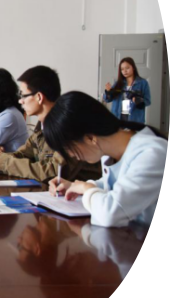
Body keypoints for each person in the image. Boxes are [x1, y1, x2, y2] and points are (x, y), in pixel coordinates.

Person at [43, 91, 166, 227]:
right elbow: (118, 186)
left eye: (68, 148)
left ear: (90, 138)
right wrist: (76, 187)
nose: (71, 155)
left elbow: (110, 213)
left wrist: (86, 188)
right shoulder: (110, 153)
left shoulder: (151, 153)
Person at [0, 66, 101, 182]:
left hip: (82, 194)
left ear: (39, 97)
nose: (20, 101)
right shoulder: (41, 127)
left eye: (23, 95)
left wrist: (2, 160)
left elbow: (53, 173)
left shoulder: (67, 126)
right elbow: (23, 154)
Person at [102, 57, 151, 123]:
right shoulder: (118, 83)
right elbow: (107, 99)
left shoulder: (143, 83)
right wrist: (108, 91)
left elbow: (148, 101)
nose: (124, 71)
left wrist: (138, 100)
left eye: (127, 68)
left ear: (133, 68)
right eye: (122, 69)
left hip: (135, 119)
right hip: (118, 117)